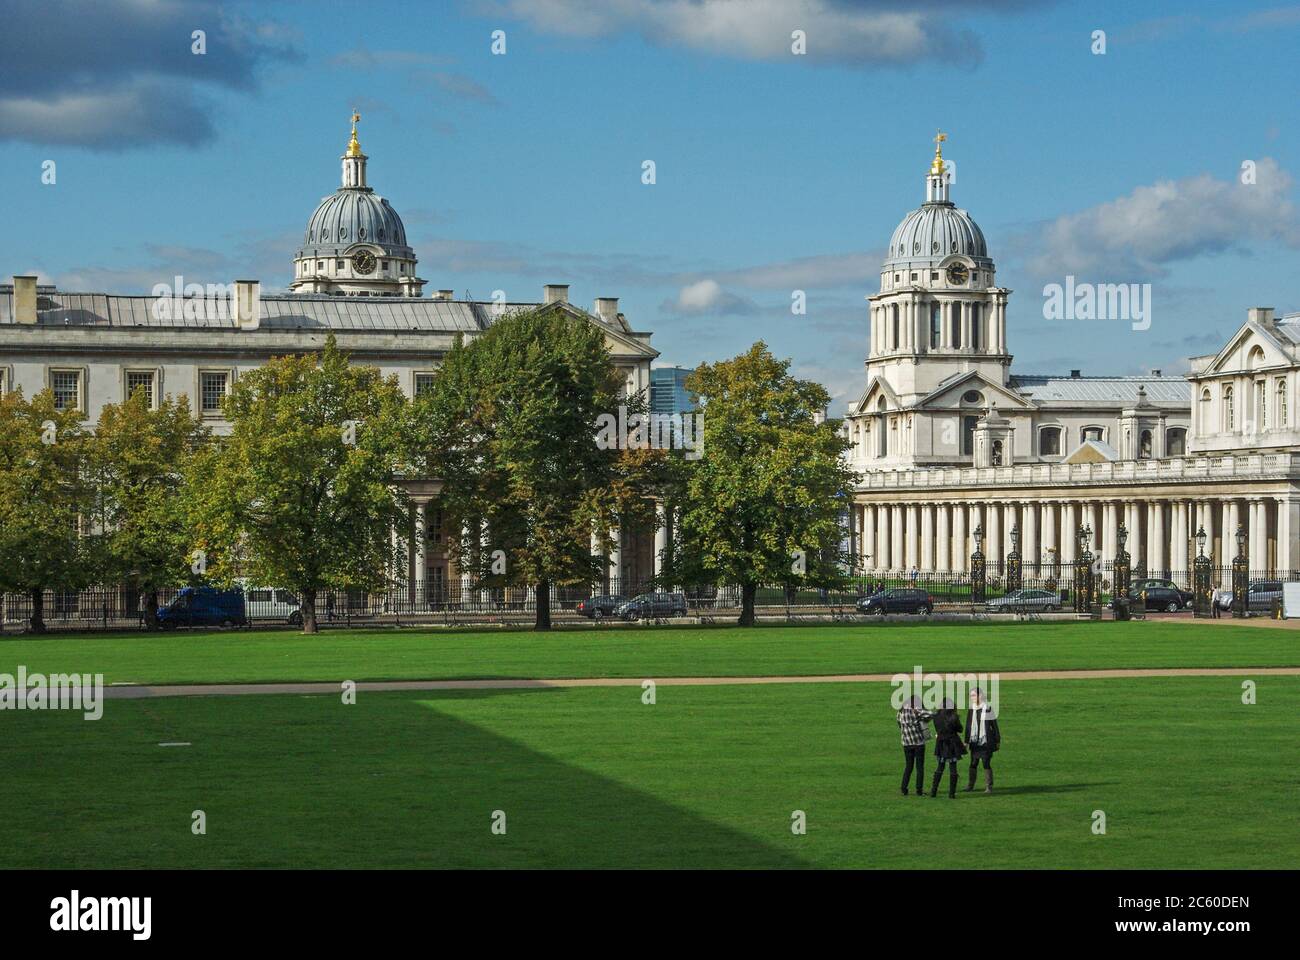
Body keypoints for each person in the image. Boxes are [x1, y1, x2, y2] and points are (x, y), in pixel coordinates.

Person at [965, 687, 1000, 793]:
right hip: (975, 741)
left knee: (986, 763)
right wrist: (966, 741)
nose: (972, 698)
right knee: (973, 763)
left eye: (974, 695)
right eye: (971, 695)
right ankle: (970, 785)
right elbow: (968, 726)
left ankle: (989, 786)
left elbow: (994, 725)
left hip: (985, 741)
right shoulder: (971, 709)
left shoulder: (988, 708)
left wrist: (998, 740)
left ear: (980, 696)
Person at [897, 695, 932, 797]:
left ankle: (904, 788)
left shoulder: (900, 711)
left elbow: (899, 724)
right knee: (919, 767)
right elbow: (929, 715)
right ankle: (919, 790)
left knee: (908, 766)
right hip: (918, 743)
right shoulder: (917, 710)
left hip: (906, 743)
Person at [930, 698, 965, 798]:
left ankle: (933, 791)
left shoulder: (936, 716)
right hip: (952, 743)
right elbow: (960, 729)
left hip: (941, 743)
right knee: (953, 767)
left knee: (940, 767)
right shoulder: (953, 717)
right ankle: (952, 793)